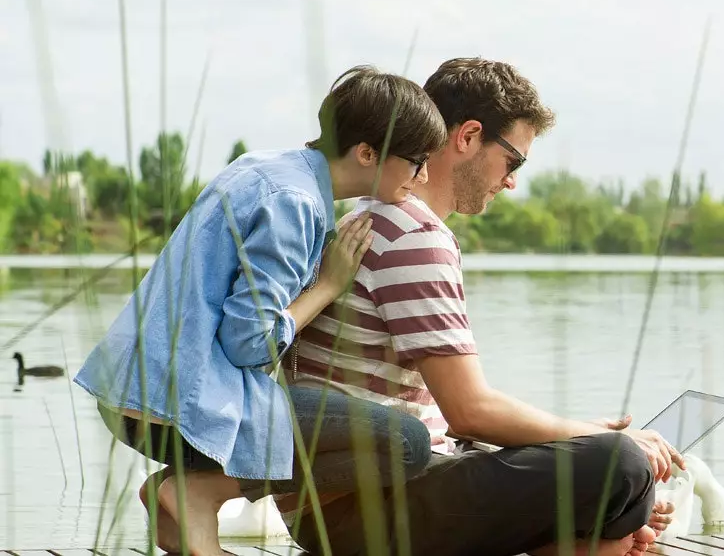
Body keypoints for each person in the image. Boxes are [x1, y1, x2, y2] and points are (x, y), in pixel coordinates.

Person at [278, 57, 681, 556]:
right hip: (359, 514)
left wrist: (576, 438)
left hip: (350, 501)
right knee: (622, 464)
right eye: (514, 160)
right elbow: (470, 412)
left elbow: (453, 421)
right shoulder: (414, 236)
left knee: (606, 465)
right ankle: (598, 537)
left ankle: (594, 538)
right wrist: (605, 448)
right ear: (467, 136)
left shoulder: (373, 216)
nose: (512, 181)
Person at [72, 66, 445, 556]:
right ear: (367, 153)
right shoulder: (295, 203)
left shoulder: (266, 167)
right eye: (416, 161)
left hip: (134, 392)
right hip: (173, 408)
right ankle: (198, 491)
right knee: (405, 443)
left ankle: (184, 497)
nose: (422, 176)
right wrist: (329, 286)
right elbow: (247, 342)